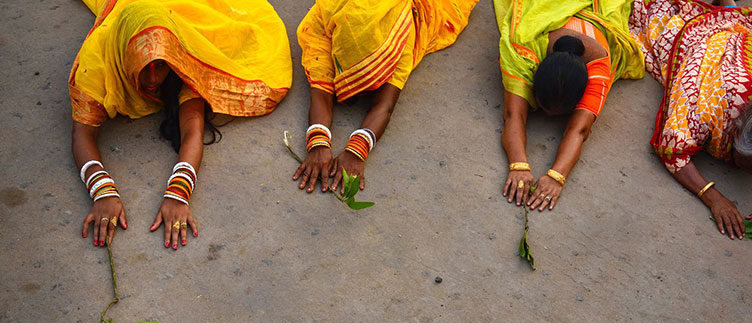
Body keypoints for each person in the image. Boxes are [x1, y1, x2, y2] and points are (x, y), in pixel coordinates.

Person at [69, 0, 292, 250]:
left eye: (160, 66)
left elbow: (192, 129)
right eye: (144, 67)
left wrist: (179, 193)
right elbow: (82, 132)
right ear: (124, 56)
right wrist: (102, 191)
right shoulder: (95, 66)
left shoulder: (178, 57)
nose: (153, 79)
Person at [629, 0, 752, 239]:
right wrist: (713, 197)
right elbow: (671, 150)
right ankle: (725, 7)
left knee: (734, 25)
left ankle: (726, 7)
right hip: (704, 46)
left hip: (736, 50)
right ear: (735, 132)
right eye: (748, 163)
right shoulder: (705, 107)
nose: (751, 173)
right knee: (658, 22)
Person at [293, 0, 478, 195]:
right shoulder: (321, 23)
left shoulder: (400, 33)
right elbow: (321, 91)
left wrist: (357, 151)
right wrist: (318, 143)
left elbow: (384, 105)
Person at [496, 0, 645, 211]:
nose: (549, 117)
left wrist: (557, 176)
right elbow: (513, 115)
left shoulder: (599, 64)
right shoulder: (525, 49)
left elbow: (579, 130)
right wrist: (518, 165)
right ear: (533, 75)